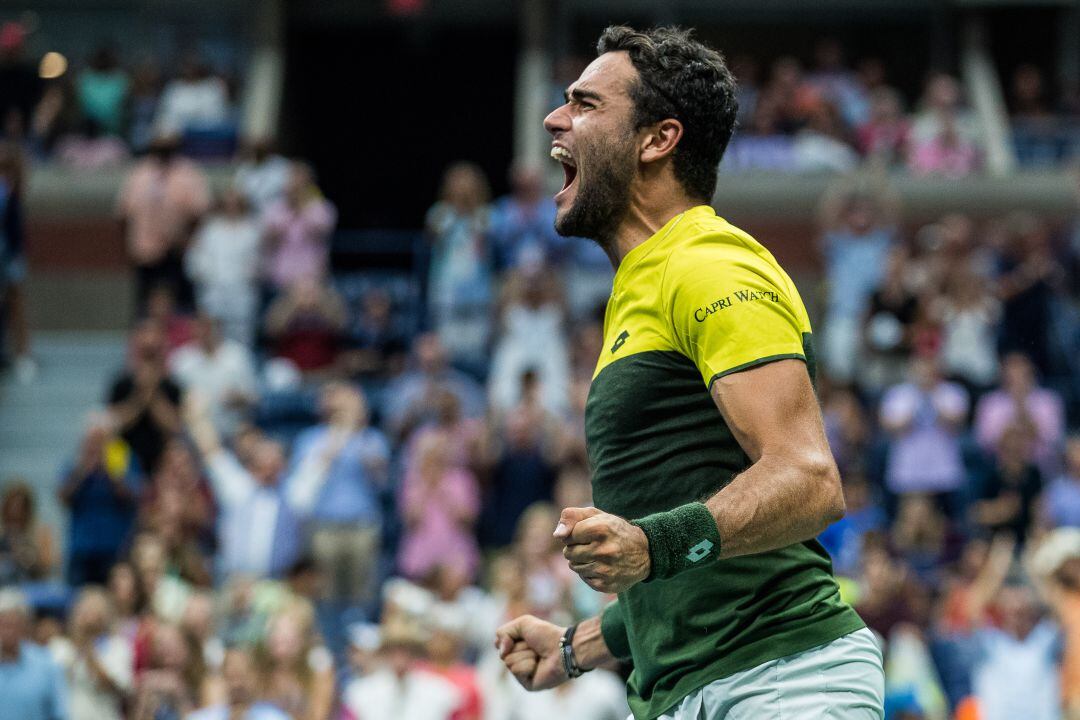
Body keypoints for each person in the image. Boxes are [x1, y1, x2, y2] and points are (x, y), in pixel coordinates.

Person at [495, 26, 882, 720]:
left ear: (657, 139)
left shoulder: (708, 264)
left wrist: (650, 545)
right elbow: (691, 567)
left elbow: (808, 478)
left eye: (585, 104)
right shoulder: (641, 286)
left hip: (781, 680)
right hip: (699, 690)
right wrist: (576, 646)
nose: (556, 119)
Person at [285, 382, 389, 610]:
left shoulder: (371, 438)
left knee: (362, 592)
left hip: (362, 526)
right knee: (325, 591)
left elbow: (380, 478)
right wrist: (337, 437)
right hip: (324, 526)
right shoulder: (309, 438)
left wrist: (355, 431)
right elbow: (300, 484)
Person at [184, 393, 302, 580]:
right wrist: (197, 417)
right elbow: (211, 452)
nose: (271, 468)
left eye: (276, 463)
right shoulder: (239, 488)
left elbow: (322, 463)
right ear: (253, 465)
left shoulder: (293, 493)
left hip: (278, 582)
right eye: (266, 462)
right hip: (235, 580)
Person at [116, 133, 211, 313]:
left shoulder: (188, 173)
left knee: (180, 306)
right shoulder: (140, 173)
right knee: (145, 306)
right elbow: (123, 214)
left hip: (176, 253)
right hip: (144, 252)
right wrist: (127, 248)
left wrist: (185, 242)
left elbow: (199, 213)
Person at [58, 414, 141, 586]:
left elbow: (134, 496)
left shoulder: (124, 460)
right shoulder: (75, 463)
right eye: (92, 439)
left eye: (101, 439)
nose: (96, 445)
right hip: (82, 548)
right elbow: (63, 497)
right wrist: (83, 471)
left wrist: (110, 470)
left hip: (115, 548)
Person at [184, 189, 262, 347]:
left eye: (235, 204)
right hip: (214, 290)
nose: (231, 207)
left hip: (241, 291)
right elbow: (195, 258)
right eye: (228, 204)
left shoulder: (252, 229)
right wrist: (206, 276)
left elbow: (258, 261)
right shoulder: (210, 229)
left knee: (242, 336)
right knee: (213, 333)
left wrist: (249, 276)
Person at [107, 321, 183, 475]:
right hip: (127, 459)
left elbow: (174, 426)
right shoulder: (121, 384)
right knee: (111, 451)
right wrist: (140, 397)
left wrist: (153, 394)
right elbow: (114, 424)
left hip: (161, 460)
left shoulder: (172, 387)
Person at [170, 313, 258, 436]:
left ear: (218, 327)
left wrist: (240, 398)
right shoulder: (181, 360)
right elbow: (173, 403)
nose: (204, 331)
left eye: (208, 326)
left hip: (235, 432)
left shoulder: (237, 355)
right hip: (194, 434)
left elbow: (255, 399)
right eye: (200, 326)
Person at [52, 587, 133, 720]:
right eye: (84, 612)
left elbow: (115, 687)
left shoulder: (118, 647)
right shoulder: (59, 646)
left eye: (94, 612)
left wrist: (89, 650)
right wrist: (79, 644)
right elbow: (58, 684)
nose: (88, 619)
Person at [260, 162, 337, 295]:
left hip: (312, 277)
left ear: (309, 183)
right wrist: (290, 212)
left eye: (300, 180)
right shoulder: (273, 208)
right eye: (293, 179)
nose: (296, 185)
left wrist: (301, 207)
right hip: (280, 277)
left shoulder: (322, 208)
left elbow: (320, 234)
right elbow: (268, 240)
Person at [0, 587, 68, 720]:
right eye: (3, 625)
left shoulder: (46, 664)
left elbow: (59, 713)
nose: (8, 631)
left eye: (13, 624)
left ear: (25, 626)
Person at [186, 647, 289, 720]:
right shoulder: (204, 717)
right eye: (231, 677)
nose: (237, 685)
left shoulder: (274, 717)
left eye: (242, 676)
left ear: (256, 677)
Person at [0, 480, 56, 584]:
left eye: (20, 508)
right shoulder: (2, 533)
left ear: (28, 510)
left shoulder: (40, 532)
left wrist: (29, 557)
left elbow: (49, 566)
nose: (15, 512)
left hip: (32, 586)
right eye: (11, 507)